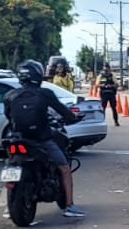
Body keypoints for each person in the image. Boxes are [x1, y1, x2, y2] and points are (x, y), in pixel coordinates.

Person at [6, 59, 84, 218]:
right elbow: (64, 112)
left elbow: (8, 116)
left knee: (10, 166)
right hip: (42, 139)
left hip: (17, 139)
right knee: (64, 168)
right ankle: (69, 206)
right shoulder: (45, 94)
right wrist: (73, 117)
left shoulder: (10, 95)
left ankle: (10, 207)